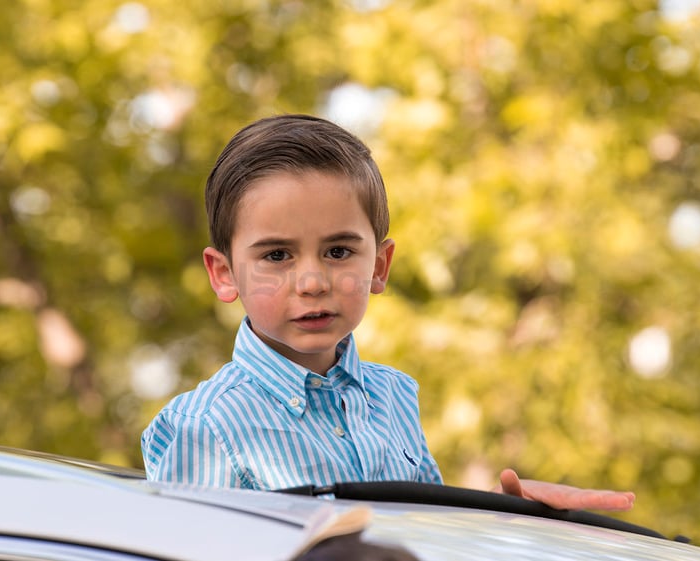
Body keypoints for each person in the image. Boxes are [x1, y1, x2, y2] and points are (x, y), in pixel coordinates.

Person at [141, 114, 635, 512]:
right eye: (276, 255)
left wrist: (507, 523)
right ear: (224, 274)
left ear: (379, 266)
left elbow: (428, 540)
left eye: (338, 252)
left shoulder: (394, 396)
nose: (312, 282)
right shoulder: (204, 428)